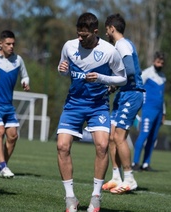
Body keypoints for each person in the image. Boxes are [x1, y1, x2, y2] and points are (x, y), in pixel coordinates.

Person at [56, 12, 127, 212]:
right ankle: (70, 198)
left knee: (103, 146)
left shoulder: (109, 51)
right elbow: (63, 69)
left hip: (98, 105)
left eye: (85, 36)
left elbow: (122, 78)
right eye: (78, 34)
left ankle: (96, 197)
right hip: (74, 103)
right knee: (62, 146)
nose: (80, 38)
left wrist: (102, 78)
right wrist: (62, 69)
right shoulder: (69, 46)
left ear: (95, 32)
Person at [101, 13, 144, 194]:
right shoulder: (119, 45)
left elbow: (130, 71)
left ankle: (130, 178)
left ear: (112, 28)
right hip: (124, 93)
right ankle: (116, 176)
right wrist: (113, 88)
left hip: (133, 94)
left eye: (106, 30)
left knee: (119, 137)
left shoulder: (122, 45)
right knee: (111, 135)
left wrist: (111, 81)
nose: (106, 34)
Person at [0, 30, 30, 178]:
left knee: (12, 136)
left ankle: (2, 166)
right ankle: (2, 166)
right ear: (0, 44)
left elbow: (24, 75)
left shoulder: (18, 60)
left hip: (8, 105)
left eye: (13, 44)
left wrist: (25, 82)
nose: (11, 46)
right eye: (8, 44)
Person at [132, 52, 166, 171]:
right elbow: (137, 87)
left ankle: (146, 163)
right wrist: (137, 105)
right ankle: (135, 162)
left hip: (159, 112)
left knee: (152, 138)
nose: (160, 64)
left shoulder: (162, 77)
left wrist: (164, 113)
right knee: (144, 135)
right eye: (158, 62)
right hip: (148, 110)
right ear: (153, 61)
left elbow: (162, 97)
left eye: (162, 63)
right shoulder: (146, 73)